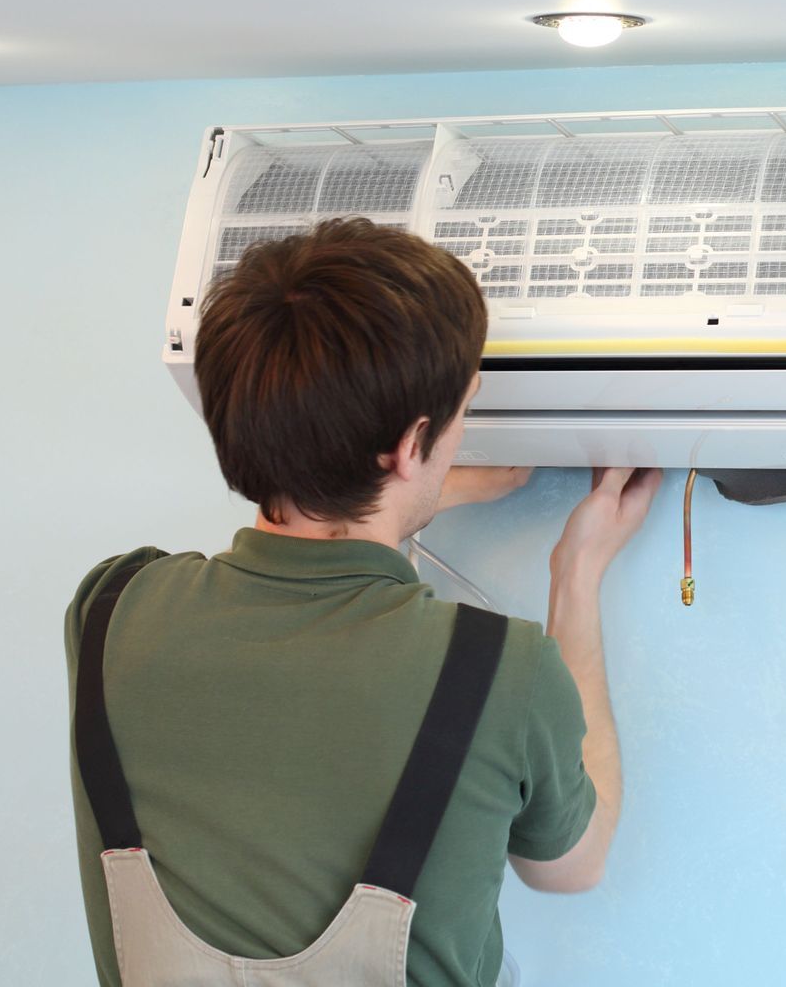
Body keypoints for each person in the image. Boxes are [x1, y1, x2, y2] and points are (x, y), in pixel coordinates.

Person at [65, 217, 659, 986]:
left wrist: (405, 498)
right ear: (412, 445)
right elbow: (571, 867)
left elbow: (293, 592)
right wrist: (575, 573)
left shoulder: (109, 608)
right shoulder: (503, 670)